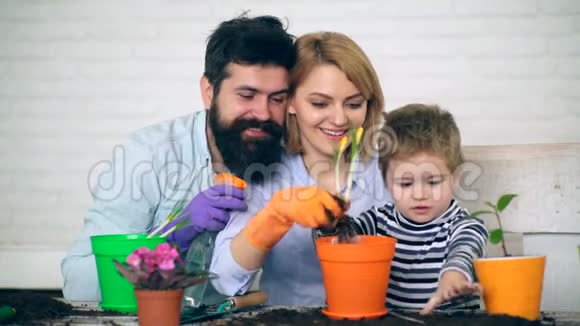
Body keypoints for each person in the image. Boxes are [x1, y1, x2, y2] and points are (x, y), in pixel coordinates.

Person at [61, 14, 296, 302]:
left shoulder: (292, 158)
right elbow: (78, 283)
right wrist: (173, 239)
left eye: (277, 99)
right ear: (209, 92)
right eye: (247, 95)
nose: (263, 113)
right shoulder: (148, 155)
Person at [210, 32, 391, 306]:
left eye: (354, 104)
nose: (340, 119)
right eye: (320, 103)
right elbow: (223, 280)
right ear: (291, 102)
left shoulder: (392, 170)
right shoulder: (266, 171)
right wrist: (274, 217)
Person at [345, 104, 489, 313]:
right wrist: (333, 222)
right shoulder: (378, 222)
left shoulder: (464, 226)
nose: (420, 194)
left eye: (433, 182)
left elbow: (464, 251)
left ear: (456, 179)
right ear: (386, 183)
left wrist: (454, 276)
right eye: (405, 183)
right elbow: (342, 240)